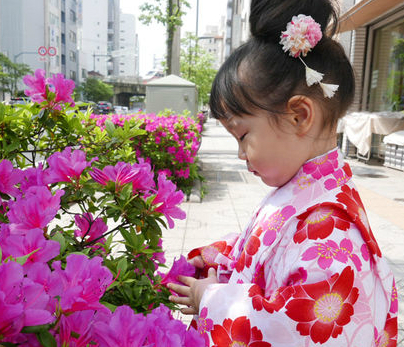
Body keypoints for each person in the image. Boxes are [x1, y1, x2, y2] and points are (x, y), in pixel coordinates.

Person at [167, 0, 398, 345]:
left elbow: (292, 329)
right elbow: (262, 249)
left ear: (300, 116)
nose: (241, 154)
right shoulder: (307, 192)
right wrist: (215, 258)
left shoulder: (332, 230)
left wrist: (210, 300)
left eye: (243, 136)